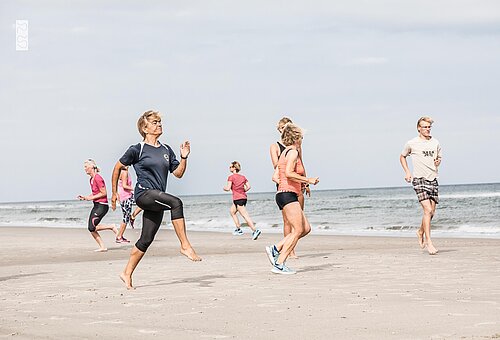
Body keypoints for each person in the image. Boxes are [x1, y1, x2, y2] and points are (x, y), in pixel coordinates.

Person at [111, 110, 201, 290]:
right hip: (144, 194)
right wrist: (114, 193)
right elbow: (118, 167)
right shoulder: (137, 149)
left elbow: (178, 173)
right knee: (176, 203)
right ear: (145, 128)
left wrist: (184, 157)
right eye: (154, 122)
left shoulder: (166, 149)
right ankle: (185, 245)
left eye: (160, 122)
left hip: (157, 199)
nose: (159, 124)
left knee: (146, 239)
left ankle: (126, 273)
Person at [265, 123, 319, 274]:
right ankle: (279, 263)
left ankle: (275, 249)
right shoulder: (293, 152)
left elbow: (276, 175)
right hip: (287, 194)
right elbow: (288, 173)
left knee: (306, 228)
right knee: (298, 229)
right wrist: (308, 180)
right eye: (301, 136)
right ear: (297, 137)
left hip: (287, 194)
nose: (302, 138)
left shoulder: (286, 152)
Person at [400, 116, 442, 255]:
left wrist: (437, 162)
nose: (427, 129)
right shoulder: (412, 143)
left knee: (431, 213)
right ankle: (429, 242)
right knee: (427, 210)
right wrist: (407, 172)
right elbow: (402, 156)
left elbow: (439, 158)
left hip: (433, 179)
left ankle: (420, 231)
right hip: (419, 180)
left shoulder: (435, 142)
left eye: (429, 127)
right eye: (425, 127)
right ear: (419, 128)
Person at [269, 117, 311, 258]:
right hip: (286, 188)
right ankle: (282, 253)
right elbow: (281, 172)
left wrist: (305, 183)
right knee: (292, 223)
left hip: (295, 187)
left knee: (303, 227)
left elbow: (300, 164)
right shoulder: (282, 149)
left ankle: (279, 248)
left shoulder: (296, 150)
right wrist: (307, 179)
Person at [78, 159, 117, 252]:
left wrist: (90, 198)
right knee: (91, 228)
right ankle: (102, 246)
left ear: (92, 167)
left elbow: (104, 193)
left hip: (102, 206)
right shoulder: (91, 179)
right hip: (96, 205)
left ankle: (111, 226)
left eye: (86, 167)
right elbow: (95, 193)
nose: (85, 169)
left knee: (91, 227)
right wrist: (86, 197)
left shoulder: (98, 178)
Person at [223, 161, 261, 240]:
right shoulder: (243, 177)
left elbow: (228, 188)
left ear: (234, 168)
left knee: (245, 215)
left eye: (230, 167)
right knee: (232, 212)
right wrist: (243, 191)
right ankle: (238, 229)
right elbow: (249, 186)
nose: (229, 168)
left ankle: (255, 230)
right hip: (243, 198)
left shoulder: (231, 177)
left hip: (238, 199)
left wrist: (224, 188)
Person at [115, 166, 142, 243]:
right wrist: (135, 189)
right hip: (126, 197)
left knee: (143, 202)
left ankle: (132, 216)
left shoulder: (121, 172)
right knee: (126, 218)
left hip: (125, 197)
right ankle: (119, 237)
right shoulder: (124, 172)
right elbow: (124, 186)